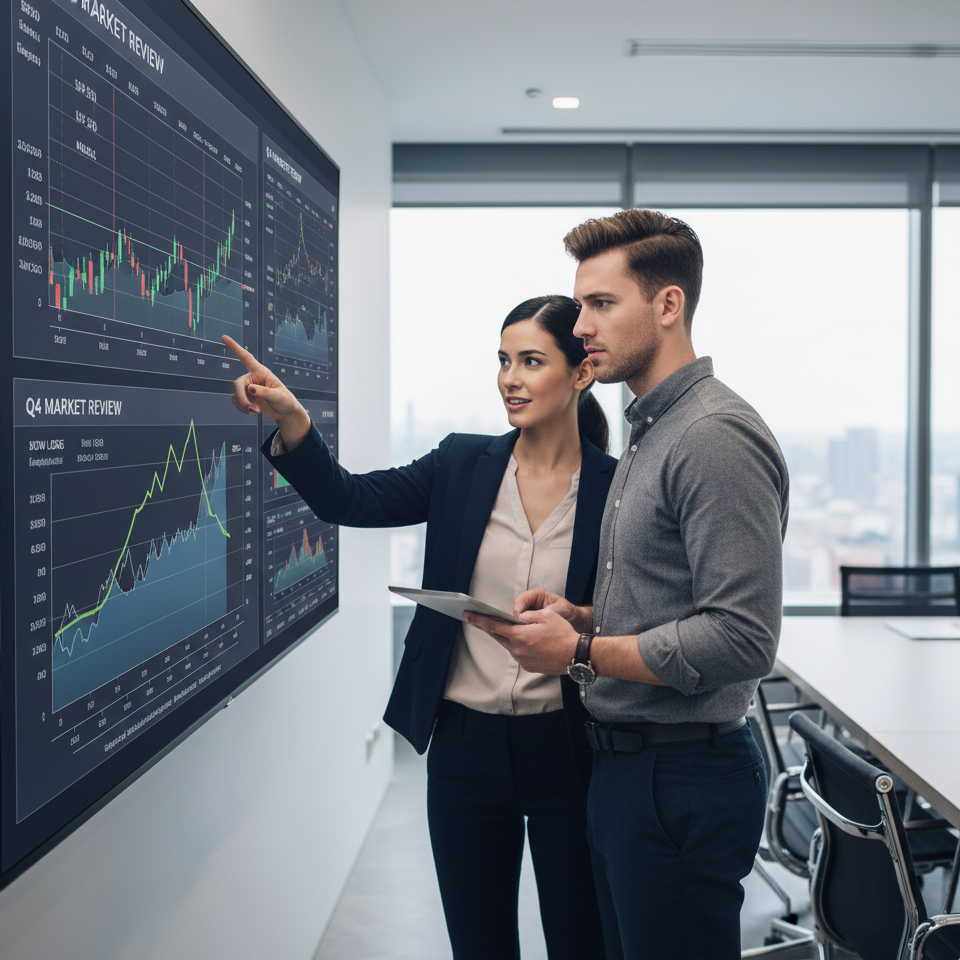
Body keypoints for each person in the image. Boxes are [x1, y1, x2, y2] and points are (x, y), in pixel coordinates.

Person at [223, 295, 616, 960]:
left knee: (583, 943)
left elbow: (639, 608)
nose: (510, 379)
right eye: (502, 361)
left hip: (571, 747)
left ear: (580, 374)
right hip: (465, 745)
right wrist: (292, 420)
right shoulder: (462, 463)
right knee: (478, 944)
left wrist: (582, 627)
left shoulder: (618, 486)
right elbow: (349, 498)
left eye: (531, 361)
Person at [464, 211, 790, 960]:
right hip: (625, 769)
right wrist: (581, 614)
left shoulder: (711, 436)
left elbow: (742, 638)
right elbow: (667, 596)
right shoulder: (651, 431)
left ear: (668, 306)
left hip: (680, 776)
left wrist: (580, 650)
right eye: (581, 306)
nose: (580, 326)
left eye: (601, 305)